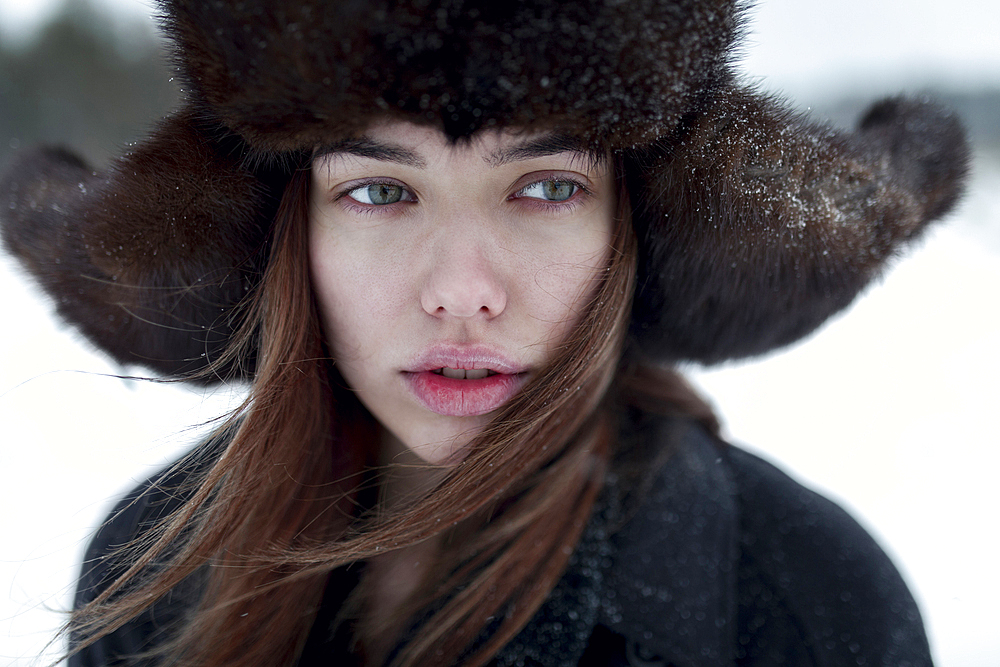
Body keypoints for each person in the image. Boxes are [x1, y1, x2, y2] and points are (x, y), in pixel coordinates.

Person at [0, 0, 969, 665]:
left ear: (628, 226)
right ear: (288, 235)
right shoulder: (152, 567)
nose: (462, 293)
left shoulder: (800, 595)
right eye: (380, 190)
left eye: (547, 188)